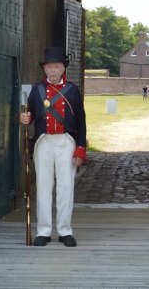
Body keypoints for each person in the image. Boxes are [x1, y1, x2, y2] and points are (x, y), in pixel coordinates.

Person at [19, 46, 87, 247]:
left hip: (65, 141)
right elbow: (30, 115)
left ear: (63, 69)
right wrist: (24, 118)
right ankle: (44, 231)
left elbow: (81, 121)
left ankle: (65, 230)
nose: (53, 71)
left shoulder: (72, 91)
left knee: (66, 187)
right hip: (44, 142)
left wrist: (80, 148)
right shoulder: (37, 90)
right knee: (43, 186)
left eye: (57, 67)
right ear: (45, 69)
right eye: (49, 67)